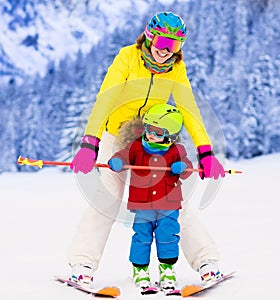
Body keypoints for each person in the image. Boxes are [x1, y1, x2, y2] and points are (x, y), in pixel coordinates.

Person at [68, 12, 225, 286]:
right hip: (116, 136)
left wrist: (206, 151)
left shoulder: (176, 68)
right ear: (150, 36)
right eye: (163, 41)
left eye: (174, 45)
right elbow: (105, 99)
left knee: (175, 203)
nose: (166, 51)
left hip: (153, 140)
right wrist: (89, 142)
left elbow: (189, 107)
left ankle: (206, 262)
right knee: (107, 197)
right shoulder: (127, 57)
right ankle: (83, 264)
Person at [108, 104, 193, 290]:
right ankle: (140, 270)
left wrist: (183, 168)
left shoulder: (177, 151)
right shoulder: (137, 146)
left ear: (170, 135)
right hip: (142, 204)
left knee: (168, 235)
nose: (150, 134)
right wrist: (117, 161)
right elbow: (123, 156)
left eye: (157, 131)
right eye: (148, 128)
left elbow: (187, 168)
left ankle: (167, 269)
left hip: (168, 204)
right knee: (142, 236)